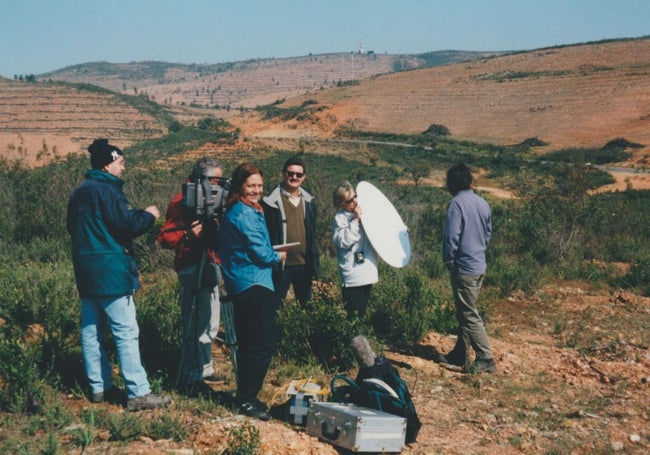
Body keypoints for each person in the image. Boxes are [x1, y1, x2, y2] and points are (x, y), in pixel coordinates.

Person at [66, 138, 171, 411]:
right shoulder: (108, 191)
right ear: (108, 163)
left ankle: (98, 387)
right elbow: (126, 225)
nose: (123, 168)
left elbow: (72, 229)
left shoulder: (78, 193)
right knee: (126, 332)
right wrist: (148, 215)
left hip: (86, 273)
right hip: (111, 272)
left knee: (91, 332)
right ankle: (138, 392)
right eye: (121, 162)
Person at [219, 162, 286, 420]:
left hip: (245, 283)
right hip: (253, 283)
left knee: (250, 341)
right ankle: (247, 399)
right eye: (251, 185)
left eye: (259, 185)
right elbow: (260, 253)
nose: (256, 190)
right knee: (262, 342)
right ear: (240, 186)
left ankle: (246, 394)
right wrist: (277, 256)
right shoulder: (244, 214)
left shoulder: (243, 209)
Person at [157, 157, 226, 398]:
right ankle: (190, 375)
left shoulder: (218, 200)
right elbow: (165, 238)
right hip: (191, 265)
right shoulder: (181, 201)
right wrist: (189, 234)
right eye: (212, 180)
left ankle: (204, 368)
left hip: (211, 264)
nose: (216, 185)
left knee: (210, 323)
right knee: (194, 323)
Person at [440, 163, 496, 374]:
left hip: (464, 267)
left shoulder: (456, 204)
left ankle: (486, 358)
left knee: (469, 313)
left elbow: (451, 237)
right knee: (465, 311)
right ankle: (459, 353)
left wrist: (449, 260)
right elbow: (487, 234)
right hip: (479, 264)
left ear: (452, 184)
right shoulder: (483, 203)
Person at [262, 157, 319, 304]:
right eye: (290, 173)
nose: (294, 177)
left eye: (298, 175)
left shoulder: (309, 202)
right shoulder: (270, 202)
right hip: (280, 266)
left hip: (304, 265)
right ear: (283, 173)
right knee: (274, 308)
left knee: (306, 308)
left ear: (303, 177)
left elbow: (312, 233)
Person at [332, 181, 378, 320]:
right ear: (342, 204)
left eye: (355, 197)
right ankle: (353, 340)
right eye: (350, 200)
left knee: (362, 313)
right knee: (354, 316)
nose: (355, 201)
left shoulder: (365, 211)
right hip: (352, 275)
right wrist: (356, 220)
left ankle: (359, 339)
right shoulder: (339, 219)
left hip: (367, 271)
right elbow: (344, 241)